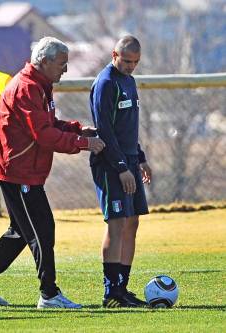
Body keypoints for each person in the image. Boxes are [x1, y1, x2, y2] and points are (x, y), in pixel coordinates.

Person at [0, 37, 106, 309]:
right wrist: (84, 144)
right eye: (62, 64)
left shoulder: (40, 85)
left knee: (20, 230)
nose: (65, 69)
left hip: (22, 169)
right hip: (18, 171)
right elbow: (43, 135)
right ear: (46, 61)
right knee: (42, 229)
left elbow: (49, 123)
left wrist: (77, 129)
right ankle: (49, 294)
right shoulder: (27, 88)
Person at [89, 35, 152, 308]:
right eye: (127, 61)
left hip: (129, 161)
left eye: (135, 62)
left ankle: (123, 289)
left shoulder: (130, 81)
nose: (131, 66)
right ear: (114, 54)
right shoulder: (105, 83)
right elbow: (106, 131)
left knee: (132, 223)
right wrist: (122, 167)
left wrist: (139, 159)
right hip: (111, 165)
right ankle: (110, 292)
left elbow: (128, 128)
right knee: (116, 225)